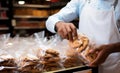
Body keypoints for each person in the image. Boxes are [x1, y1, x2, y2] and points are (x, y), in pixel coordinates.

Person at [46, 0, 120, 73]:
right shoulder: (82, 1)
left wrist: (112, 48)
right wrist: (59, 24)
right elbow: (51, 20)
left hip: (113, 65)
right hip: (84, 65)